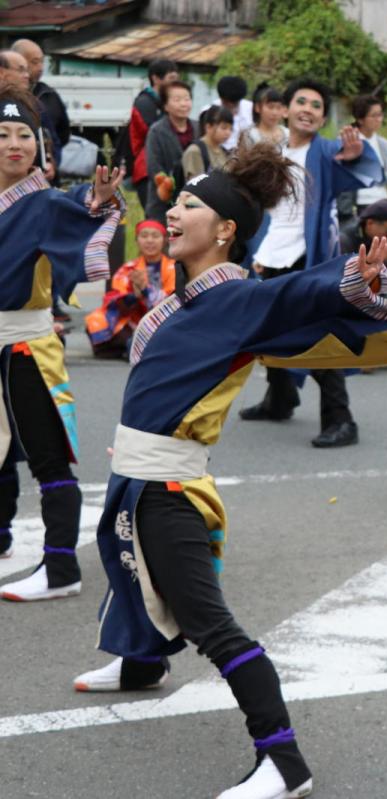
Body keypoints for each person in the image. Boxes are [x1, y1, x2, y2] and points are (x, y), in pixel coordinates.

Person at [71, 143, 387, 799]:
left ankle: (283, 761)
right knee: (126, 564)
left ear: (226, 230)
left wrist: (352, 277)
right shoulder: (188, 299)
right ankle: (140, 665)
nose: (173, 212)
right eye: (178, 202)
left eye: (191, 206)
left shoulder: (239, 296)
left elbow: (294, 292)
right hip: (140, 473)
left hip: (169, 489)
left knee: (211, 624)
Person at [0, 82, 125, 600]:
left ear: (40, 145)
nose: (14, 144)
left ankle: (60, 568)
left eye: (24, 135)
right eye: (3, 134)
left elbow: (84, 208)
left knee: (48, 458)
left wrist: (99, 200)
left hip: (26, 344)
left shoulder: (47, 203)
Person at [238, 77, 383, 449]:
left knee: (319, 336)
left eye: (317, 106)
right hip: (270, 251)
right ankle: (280, 397)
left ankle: (341, 419)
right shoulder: (272, 150)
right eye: (301, 102)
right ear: (285, 109)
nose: (308, 109)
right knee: (270, 330)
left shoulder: (329, 151)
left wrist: (354, 156)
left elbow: (368, 170)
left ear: (322, 118)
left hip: (310, 255)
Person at [84, 220, 177, 359]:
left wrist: (146, 290)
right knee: (96, 320)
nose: (149, 240)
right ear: (137, 241)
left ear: (164, 240)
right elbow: (117, 298)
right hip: (134, 319)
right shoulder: (128, 268)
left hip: (164, 320)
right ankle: (134, 346)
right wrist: (135, 295)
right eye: (144, 236)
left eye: (155, 236)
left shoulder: (174, 267)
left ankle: (131, 347)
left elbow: (173, 299)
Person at [127, 59, 179, 212]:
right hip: (147, 169)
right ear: (156, 78)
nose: (175, 83)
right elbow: (154, 134)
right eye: (171, 78)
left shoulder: (163, 103)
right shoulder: (144, 103)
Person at [144, 80, 197, 224]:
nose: (184, 104)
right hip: (163, 202)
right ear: (166, 105)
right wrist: (168, 186)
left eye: (187, 99)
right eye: (177, 100)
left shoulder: (199, 127)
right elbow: (154, 166)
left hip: (195, 199)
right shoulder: (156, 131)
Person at [12, 40, 69, 174]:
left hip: (44, 175)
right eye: (35, 62)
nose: (40, 67)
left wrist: (52, 164)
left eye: (42, 62)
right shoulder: (6, 99)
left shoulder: (48, 95)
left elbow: (61, 136)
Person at [349, 95, 387, 216]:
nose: (379, 119)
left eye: (380, 114)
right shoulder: (348, 142)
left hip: (381, 201)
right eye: (374, 115)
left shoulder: (384, 144)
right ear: (360, 119)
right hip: (357, 204)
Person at [181, 105, 232, 182]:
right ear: (209, 127)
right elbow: (195, 184)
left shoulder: (224, 152)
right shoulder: (195, 151)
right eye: (224, 128)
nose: (228, 132)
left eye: (231, 129)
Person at [213, 75, 254, 152]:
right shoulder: (209, 112)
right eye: (227, 104)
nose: (231, 108)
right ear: (221, 98)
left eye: (234, 104)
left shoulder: (251, 109)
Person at [240, 84, 287, 151]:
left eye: (279, 108)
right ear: (257, 107)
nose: (275, 113)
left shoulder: (288, 134)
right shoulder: (249, 135)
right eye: (270, 107)